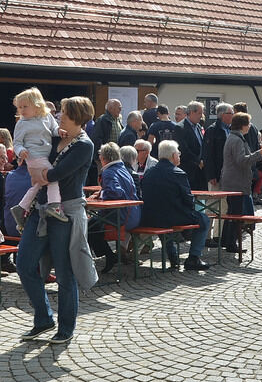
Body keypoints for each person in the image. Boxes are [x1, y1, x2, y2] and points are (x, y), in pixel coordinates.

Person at [17, 96, 97, 344]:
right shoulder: (55, 137)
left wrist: (41, 174)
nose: (59, 115)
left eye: (64, 112)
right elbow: (33, 156)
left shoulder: (84, 144)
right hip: (41, 207)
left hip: (66, 213)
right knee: (24, 263)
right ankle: (43, 318)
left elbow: (56, 173)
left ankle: (66, 327)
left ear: (76, 116)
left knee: (64, 273)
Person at [140, 140, 211, 270]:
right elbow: (188, 200)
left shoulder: (149, 173)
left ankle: (174, 258)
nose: (180, 156)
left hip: (150, 217)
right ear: (173, 156)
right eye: (178, 153)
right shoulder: (178, 173)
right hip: (173, 217)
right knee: (204, 219)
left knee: (164, 219)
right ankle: (193, 258)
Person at [11, 87, 66, 229]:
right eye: (19, 107)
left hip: (43, 156)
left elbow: (53, 129)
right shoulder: (22, 123)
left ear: (37, 105)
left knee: (40, 183)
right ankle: (54, 205)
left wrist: (59, 131)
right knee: (52, 178)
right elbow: (16, 143)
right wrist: (21, 151)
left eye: (25, 106)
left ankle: (21, 207)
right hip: (33, 156)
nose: (22, 110)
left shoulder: (47, 117)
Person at [221, 113, 262, 253]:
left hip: (233, 180)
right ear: (242, 125)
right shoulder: (236, 139)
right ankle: (231, 243)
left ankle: (227, 241)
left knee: (232, 212)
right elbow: (242, 160)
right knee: (235, 213)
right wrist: (259, 154)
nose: (249, 126)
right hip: (235, 182)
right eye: (248, 124)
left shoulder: (234, 137)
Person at [88, 142, 139, 273]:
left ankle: (106, 257)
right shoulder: (123, 169)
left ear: (103, 158)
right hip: (134, 213)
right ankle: (109, 256)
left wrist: (101, 194)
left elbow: (116, 192)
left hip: (122, 216)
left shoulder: (109, 172)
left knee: (89, 227)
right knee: (93, 224)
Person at [174, 101, 207, 191]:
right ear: (192, 112)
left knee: (201, 201)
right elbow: (183, 149)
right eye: (199, 113)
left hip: (200, 172)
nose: (201, 116)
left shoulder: (199, 127)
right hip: (188, 170)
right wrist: (197, 161)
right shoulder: (180, 127)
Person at [203, 102, 234, 188]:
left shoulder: (232, 129)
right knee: (215, 200)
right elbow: (208, 154)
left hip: (230, 173)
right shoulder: (212, 130)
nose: (233, 115)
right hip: (217, 174)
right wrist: (211, 175)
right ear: (223, 115)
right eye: (231, 113)